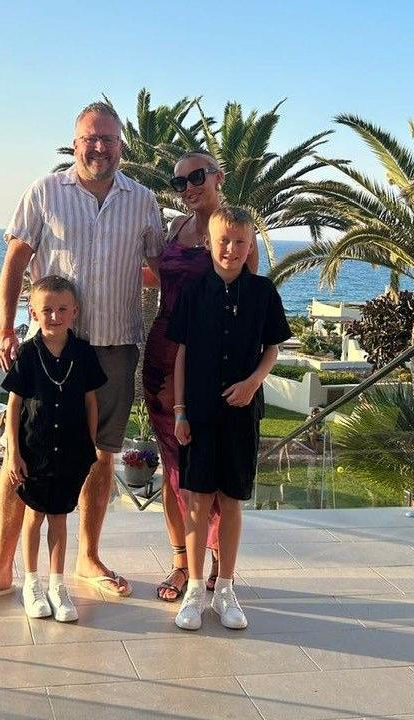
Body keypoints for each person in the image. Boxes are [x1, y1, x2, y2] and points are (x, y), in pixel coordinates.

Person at [0, 101, 163, 610]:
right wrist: (4, 327)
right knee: (17, 456)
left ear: (122, 146)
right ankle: (3, 567)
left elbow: (158, 268)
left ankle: (88, 558)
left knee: (100, 453)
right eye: (90, 138)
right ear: (76, 141)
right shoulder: (45, 192)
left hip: (112, 345)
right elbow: (16, 257)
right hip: (46, 347)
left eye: (108, 139)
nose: (99, 147)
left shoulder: (144, 201)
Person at [142, 152, 261, 602]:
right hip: (161, 357)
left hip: (210, 363)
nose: (188, 187)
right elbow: (163, 279)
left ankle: (217, 565)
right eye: (179, 182)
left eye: (196, 177)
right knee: (173, 465)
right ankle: (180, 564)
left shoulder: (238, 235)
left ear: (218, 177)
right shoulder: (174, 229)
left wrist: (249, 374)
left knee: (206, 466)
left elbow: (250, 305)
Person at [168, 205, 291, 631]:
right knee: (198, 501)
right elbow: (181, 354)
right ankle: (195, 590)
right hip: (198, 414)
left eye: (241, 241)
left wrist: (254, 382)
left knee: (232, 500)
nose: (231, 248)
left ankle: (226, 589)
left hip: (242, 413)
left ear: (250, 244)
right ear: (209, 242)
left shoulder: (263, 293)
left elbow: (273, 347)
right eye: (223, 240)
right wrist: (180, 412)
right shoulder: (194, 291)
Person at [2, 276, 106, 622]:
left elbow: (91, 402)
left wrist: (90, 445)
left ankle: (57, 586)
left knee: (60, 518)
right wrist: (13, 450)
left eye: (62, 309)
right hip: (35, 451)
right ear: (33, 312)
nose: (54, 316)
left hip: (72, 452)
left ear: (74, 312)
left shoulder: (83, 353)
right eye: (46, 310)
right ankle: (32, 583)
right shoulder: (29, 354)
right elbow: (14, 405)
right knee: (34, 516)